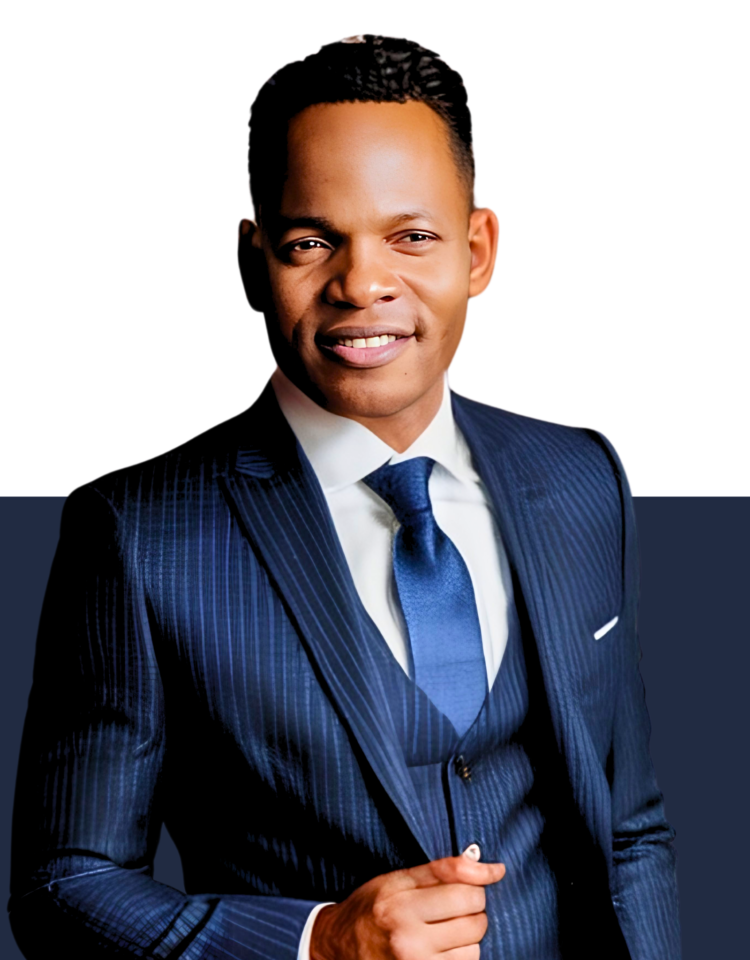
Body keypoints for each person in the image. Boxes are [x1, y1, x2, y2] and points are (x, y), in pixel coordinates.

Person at [8, 33, 681, 959]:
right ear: (252, 262)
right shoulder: (136, 535)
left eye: (413, 237)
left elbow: (631, 829)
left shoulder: (583, 474)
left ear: (479, 251)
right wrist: (317, 942)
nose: (362, 284)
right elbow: (63, 889)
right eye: (312, 242)